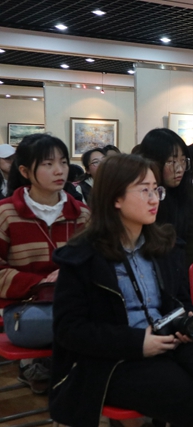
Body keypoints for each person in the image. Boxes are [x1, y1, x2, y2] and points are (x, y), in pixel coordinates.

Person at [51, 154, 193, 427]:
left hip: (169, 340)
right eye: (145, 190)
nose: (155, 199)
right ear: (115, 199)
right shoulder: (82, 256)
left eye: (156, 190)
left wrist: (186, 318)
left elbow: (180, 299)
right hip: (114, 359)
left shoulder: (164, 245)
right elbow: (69, 330)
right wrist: (137, 342)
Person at [0, 134, 90, 393]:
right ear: (25, 171)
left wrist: (70, 276)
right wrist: (40, 283)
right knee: (87, 328)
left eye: (63, 162)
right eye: (48, 164)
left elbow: (97, 263)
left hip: (75, 304)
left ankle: (66, 379)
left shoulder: (82, 214)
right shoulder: (6, 213)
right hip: (26, 308)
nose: (59, 170)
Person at [137, 128, 193, 266]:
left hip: (182, 264)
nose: (180, 169)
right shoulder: (142, 194)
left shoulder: (189, 191)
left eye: (183, 160)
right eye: (172, 162)